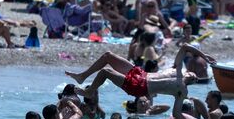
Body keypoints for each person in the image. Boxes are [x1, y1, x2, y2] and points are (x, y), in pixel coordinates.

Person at [66, 44, 216, 108]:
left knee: (105, 72)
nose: (193, 76)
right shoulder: (176, 68)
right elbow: (185, 47)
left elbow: (177, 112)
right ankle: (82, 76)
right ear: (188, 70)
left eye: (195, 79)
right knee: (108, 56)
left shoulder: (182, 90)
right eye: (193, 74)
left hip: (140, 87)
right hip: (141, 74)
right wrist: (205, 56)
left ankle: (89, 91)